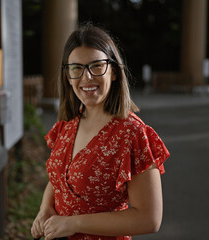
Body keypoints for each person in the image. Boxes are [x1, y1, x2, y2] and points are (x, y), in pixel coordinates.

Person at [31, 24, 170, 240]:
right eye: (76, 68)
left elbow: (149, 219)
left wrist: (73, 223)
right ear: (68, 76)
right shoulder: (67, 125)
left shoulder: (132, 133)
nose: (86, 78)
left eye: (96, 66)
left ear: (113, 72)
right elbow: (59, 179)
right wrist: (44, 209)